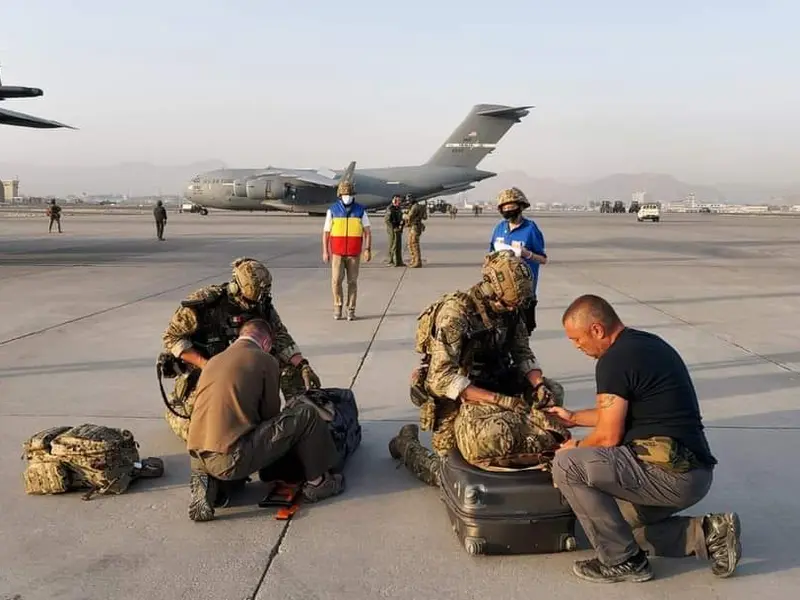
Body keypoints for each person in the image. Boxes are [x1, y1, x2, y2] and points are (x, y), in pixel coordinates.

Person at [546, 294, 740, 583]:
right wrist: (573, 418)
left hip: (669, 473)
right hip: (693, 474)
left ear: (597, 329)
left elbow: (608, 436)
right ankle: (710, 533)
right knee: (613, 528)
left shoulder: (613, 360)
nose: (578, 346)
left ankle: (622, 563)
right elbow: (615, 413)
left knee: (566, 465)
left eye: (577, 339)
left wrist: (573, 448)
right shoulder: (646, 344)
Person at [388, 250, 569, 486]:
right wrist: (500, 401)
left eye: (518, 304)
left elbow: (522, 352)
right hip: (455, 393)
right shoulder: (456, 314)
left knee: (554, 392)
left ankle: (527, 444)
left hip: (496, 380)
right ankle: (405, 444)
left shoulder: (513, 309)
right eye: (509, 304)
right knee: (447, 473)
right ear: (492, 291)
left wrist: (539, 385)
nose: (514, 309)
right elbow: (441, 377)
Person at [186, 319, 345, 522]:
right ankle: (319, 483)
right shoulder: (264, 359)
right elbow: (270, 416)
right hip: (231, 457)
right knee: (307, 414)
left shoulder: (214, 360)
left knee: (229, 438)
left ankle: (211, 482)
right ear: (266, 343)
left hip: (198, 454)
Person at [161, 257, 321, 441]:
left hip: (244, 368)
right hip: (206, 373)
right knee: (202, 434)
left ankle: (298, 419)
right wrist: (207, 365)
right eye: (249, 301)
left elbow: (280, 335)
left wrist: (302, 365)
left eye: (256, 302)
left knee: (291, 369)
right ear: (236, 288)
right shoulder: (204, 305)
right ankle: (176, 409)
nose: (252, 307)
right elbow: (171, 337)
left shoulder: (261, 303)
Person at [488, 188, 547, 335]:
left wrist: (527, 254)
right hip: (501, 294)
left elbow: (543, 259)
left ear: (520, 207)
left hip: (523, 294)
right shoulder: (500, 228)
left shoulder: (530, 229)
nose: (507, 210)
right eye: (504, 208)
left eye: (511, 207)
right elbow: (490, 255)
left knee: (522, 336)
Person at [322, 180, 372, 320]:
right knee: (336, 281)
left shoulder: (360, 210)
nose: (347, 195)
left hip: (354, 254)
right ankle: (337, 306)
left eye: (349, 193)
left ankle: (351, 309)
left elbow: (367, 232)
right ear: (340, 194)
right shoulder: (332, 210)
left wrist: (367, 249)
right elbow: (326, 232)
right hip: (337, 253)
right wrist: (326, 251)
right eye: (344, 193)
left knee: (352, 282)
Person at [403, 194, 427, 268]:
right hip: (415, 226)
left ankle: (417, 262)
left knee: (414, 244)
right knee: (410, 244)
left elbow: (410, 217)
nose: (408, 201)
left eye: (408, 200)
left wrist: (403, 215)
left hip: (415, 227)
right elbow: (425, 217)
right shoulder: (417, 206)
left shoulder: (414, 207)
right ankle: (414, 260)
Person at [384, 194, 405, 267]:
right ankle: (391, 261)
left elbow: (401, 219)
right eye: (397, 200)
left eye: (400, 200)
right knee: (393, 245)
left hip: (398, 230)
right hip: (393, 230)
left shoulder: (398, 208)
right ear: (393, 200)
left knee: (398, 246)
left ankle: (399, 261)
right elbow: (387, 220)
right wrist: (393, 229)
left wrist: (401, 227)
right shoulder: (390, 208)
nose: (399, 201)